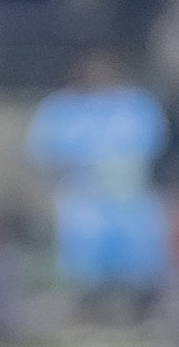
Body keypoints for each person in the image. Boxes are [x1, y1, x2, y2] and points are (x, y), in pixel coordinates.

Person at [25, 50, 169, 321]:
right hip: (83, 201)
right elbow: (43, 154)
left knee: (139, 272)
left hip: (129, 200)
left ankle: (138, 324)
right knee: (85, 274)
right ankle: (88, 325)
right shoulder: (62, 108)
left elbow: (156, 150)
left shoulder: (136, 105)